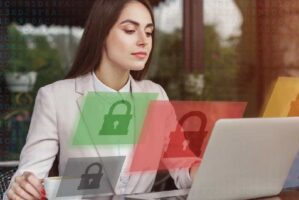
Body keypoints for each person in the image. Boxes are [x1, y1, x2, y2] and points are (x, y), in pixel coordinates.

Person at [5, 0, 198, 199]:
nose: (144, 40)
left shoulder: (156, 95)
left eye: (148, 32)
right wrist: (23, 186)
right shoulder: (55, 98)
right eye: (130, 30)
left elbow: (182, 164)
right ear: (102, 34)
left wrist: (200, 170)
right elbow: (30, 176)